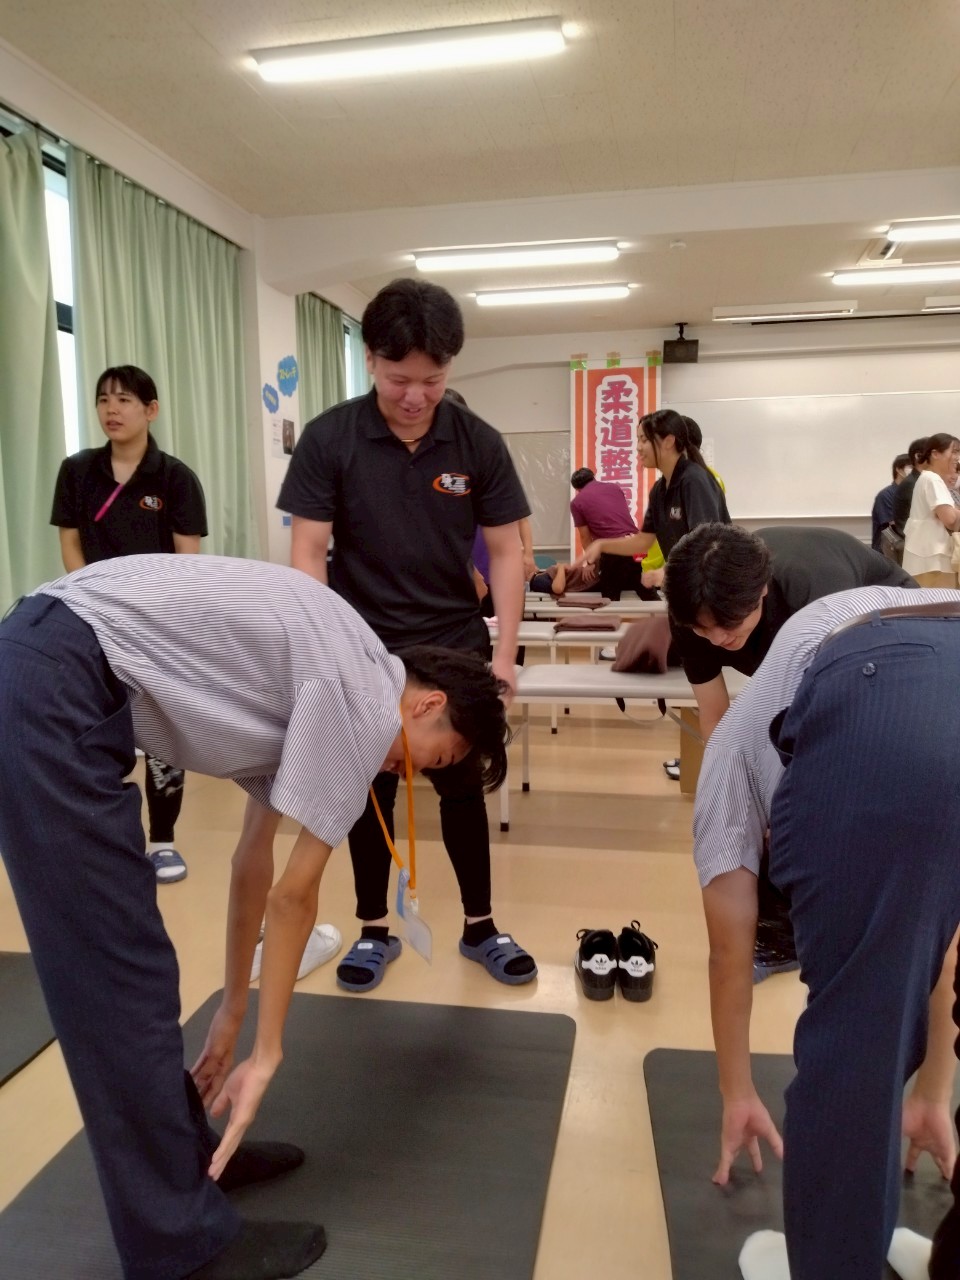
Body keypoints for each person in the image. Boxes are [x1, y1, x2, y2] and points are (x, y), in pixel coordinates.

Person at [0, 553, 509, 1280]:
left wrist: (233, 1013)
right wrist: (267, 1055)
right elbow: (295, 897)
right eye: (436, 758)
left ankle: (189, 1165)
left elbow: (252, 863)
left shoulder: (346, 672)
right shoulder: (366, 706)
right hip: (54, 680)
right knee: (113, 976)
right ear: (428, 704)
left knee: (134, 964)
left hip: (51, 660)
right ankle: (178, 1248)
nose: (414, 772)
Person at [692, 585, 960, 1280]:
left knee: (854, 1049)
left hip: (886, 683)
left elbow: (728, 952)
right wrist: (933, 1093)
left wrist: (737, 1094)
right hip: (933, 649)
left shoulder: (728, 760)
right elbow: (939, 934)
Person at [278, 277, 537, 991]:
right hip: (363, 649)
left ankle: (480, 926)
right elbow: (308, 554)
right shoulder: (331, 438)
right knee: (368, 793)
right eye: (400, 379)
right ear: (370, 360)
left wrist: (505, 654)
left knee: (461, 785)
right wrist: (324, 657)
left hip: (454, 645)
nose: (416, 395)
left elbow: (507, 551)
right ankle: (373, 930)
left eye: (432, 379)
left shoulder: (477, 442)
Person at [50, 365, 207, 884]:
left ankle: (162, 841)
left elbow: (187, 560)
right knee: (97, 730)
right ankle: (107, 839)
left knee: (161, 733)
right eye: (103, 400)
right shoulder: (77, 471)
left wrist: (162, 616)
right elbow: (70, 542)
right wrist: (91, 599)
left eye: (123, 399)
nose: (111, 409)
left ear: (150, 410)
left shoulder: (175, 478)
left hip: (157, 623)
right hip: (92, 616)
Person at [663, 522, 917, 742]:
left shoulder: (813, 599)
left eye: (730, 623)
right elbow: (715, 716)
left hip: (895, 623)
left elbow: (839, 710)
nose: (717, 639)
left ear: (762, 591)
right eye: (703, 628)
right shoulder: (689, 614)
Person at [569, 467, 658, 601]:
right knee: (645, 589)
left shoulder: (577, 502)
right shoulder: (614, 488)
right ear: (593, 477)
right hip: (634, 543)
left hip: (613, 548)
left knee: (610, 597)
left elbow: (585, 537)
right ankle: (667, 614)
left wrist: (590, 563)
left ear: (577, 489)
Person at [903, 433, 960, 586]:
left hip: (927, 556)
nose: (957, 457)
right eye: (954, 451)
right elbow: (950, 519)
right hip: (933, 559)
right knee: (942, 600)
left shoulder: (927, 478)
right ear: (935, 454)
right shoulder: (933, 479)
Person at [871, 451, 912, 550]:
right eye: (911, 467)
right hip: (887, 551)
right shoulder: (886, 495)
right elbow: (895, 525)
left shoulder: (912, 493)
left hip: (907, 549)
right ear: (899, 469)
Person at [891, 436, 930, 537]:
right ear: (918, 456)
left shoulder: (919, 479)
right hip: (915, 539)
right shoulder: (913, 483)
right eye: (933, 453)